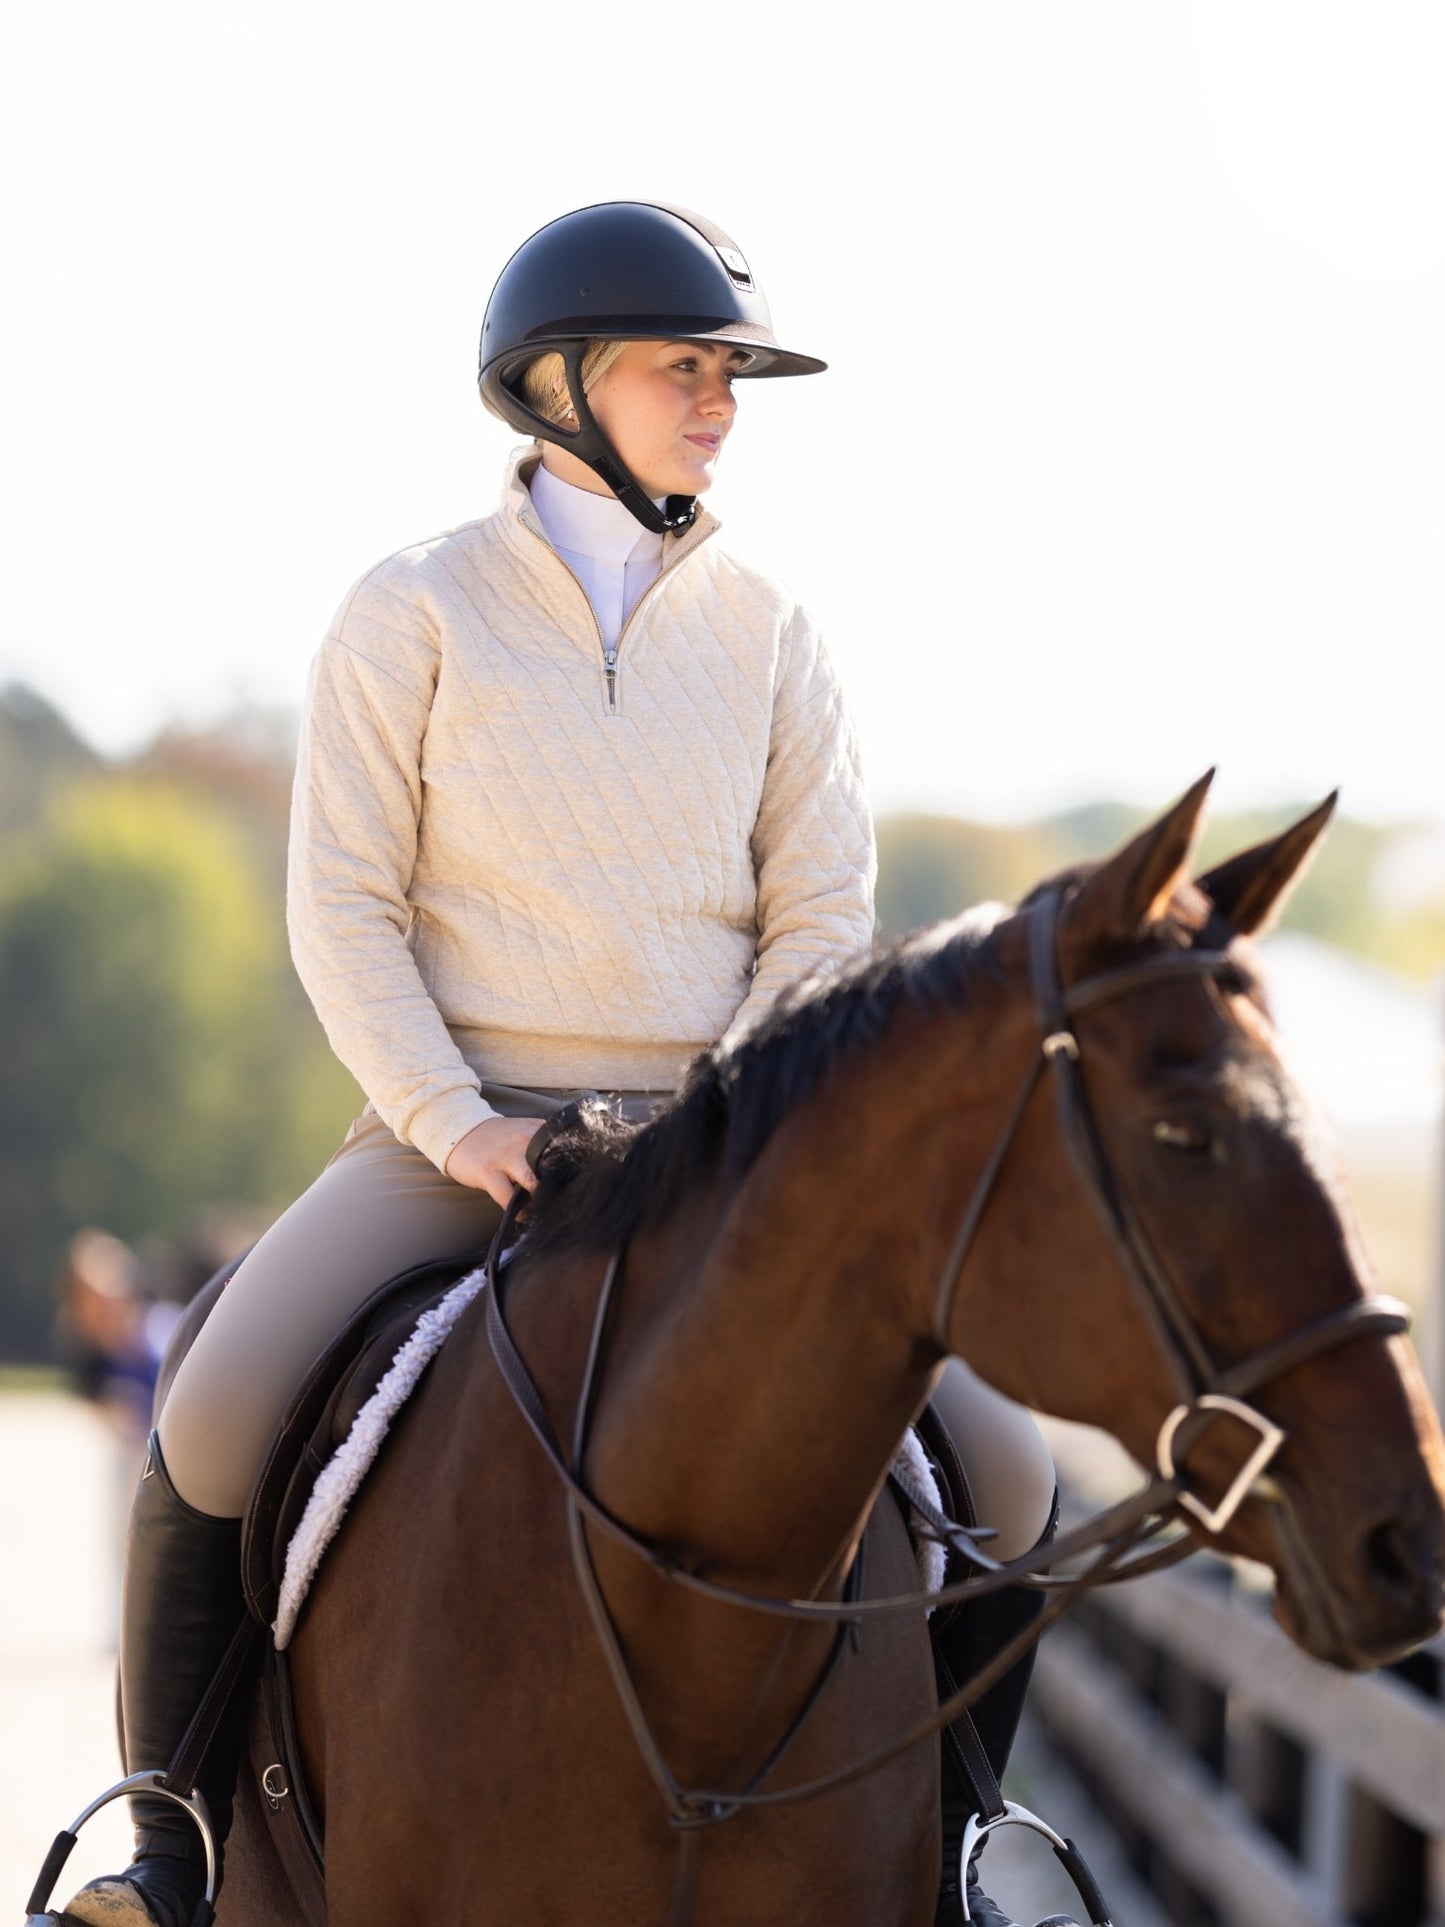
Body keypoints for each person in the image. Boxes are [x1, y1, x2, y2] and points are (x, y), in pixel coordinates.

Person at [47, 202, 1064, 1927]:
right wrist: (463, 1125)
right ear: (558, 383)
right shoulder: (411, 612)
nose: (724, 401)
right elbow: (344, 914)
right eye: (690, 367)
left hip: (718, 1151)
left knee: (1016, 1465)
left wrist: (732, 1131)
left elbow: (820, 920)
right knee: (212, 1419)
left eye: (732, 371)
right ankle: (171, 1848)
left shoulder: (776, 633)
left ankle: (967, 1849)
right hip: (451, 1145)